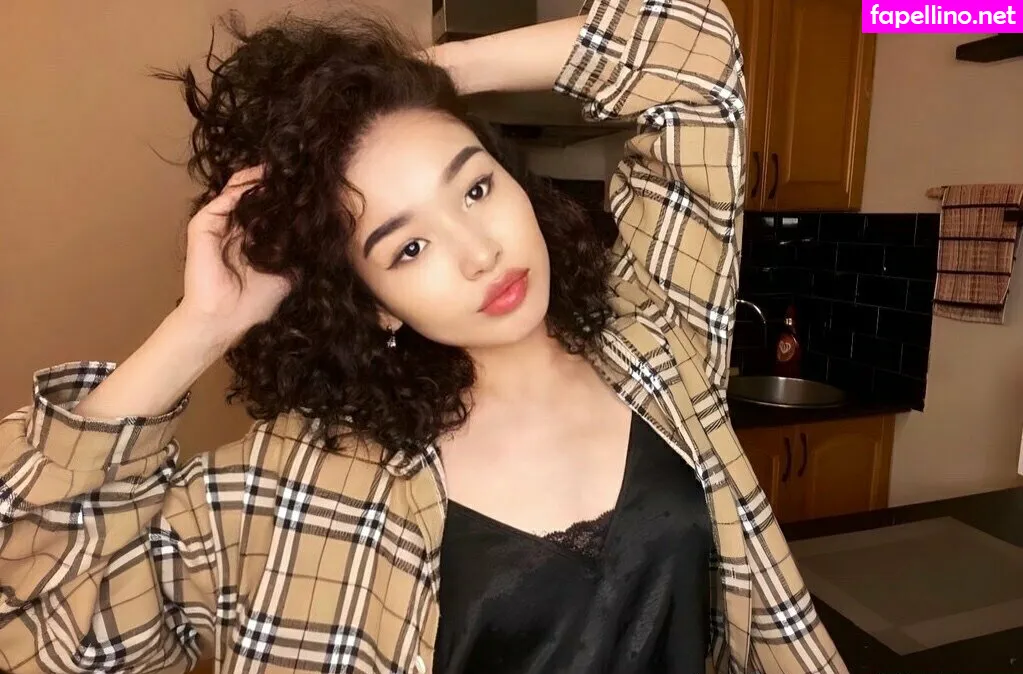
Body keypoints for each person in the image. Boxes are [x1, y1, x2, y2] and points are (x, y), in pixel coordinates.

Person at [0, 0, 848, 672]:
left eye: (475, 189)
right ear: (373, 303)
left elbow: (693, 56)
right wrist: (199, 327)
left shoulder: (652, 331)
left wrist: (426, 74)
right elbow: (45, 628)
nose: (480, 252)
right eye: (407, 248)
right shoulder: (294, 488)